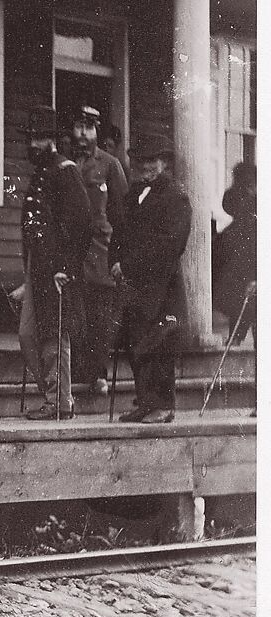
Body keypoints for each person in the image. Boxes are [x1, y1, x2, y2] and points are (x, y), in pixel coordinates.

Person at [13, 107, 91, 420]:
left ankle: (60, 402)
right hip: (38, 266)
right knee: (28, 334)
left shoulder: (65, 170)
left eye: (40, 138)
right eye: (31, 138)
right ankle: (53, 395)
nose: (33, 144)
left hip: (57, 269)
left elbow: (81, 222)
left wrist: (66, 268)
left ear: (53, 141)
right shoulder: (43, 171)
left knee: (54, 334)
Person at [109, 135, 191, 423]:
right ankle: (145, 402)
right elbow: (119, 232)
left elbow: (168, 245)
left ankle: (163, 405)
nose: (144, 166)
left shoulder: (176, 198)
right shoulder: (134, 195)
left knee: (160, 345)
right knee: (137, 343)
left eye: (151, 160)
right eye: (139, 160)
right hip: (135, 286)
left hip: (161, 285)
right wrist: (115, 261)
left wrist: (128, 265)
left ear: (164, 163)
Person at [70, 104, 129, 391]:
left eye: (89, 128)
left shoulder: (109, 165)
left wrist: (120, 256)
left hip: (100, 253)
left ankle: (98, 373)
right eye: (79, 127)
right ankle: (77, 371)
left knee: (100, 318)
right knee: (74, 316)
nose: (84, 134)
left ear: (96, 131)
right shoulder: (63, 163)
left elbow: (122, 214)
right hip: (70, 252)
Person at [216, 161, 256, 345]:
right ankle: (236, 335)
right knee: (241, 297)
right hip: (240, 249)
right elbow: (228, 205)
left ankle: (236, 335)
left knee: (245, 297)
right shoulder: (240, 196)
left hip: (248, 248)